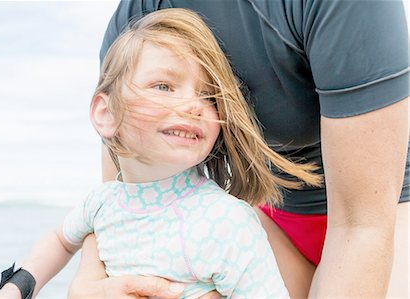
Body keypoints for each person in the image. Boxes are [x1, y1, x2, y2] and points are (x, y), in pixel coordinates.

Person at [65, 1, 410, 298]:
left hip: (385, 212)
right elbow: (124, 201)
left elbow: (361, 225)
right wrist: (87, 283)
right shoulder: (138, 17)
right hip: (270, 221)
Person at [0, 8, 324, 299]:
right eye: (164, 86)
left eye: (208, 95)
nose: (194, 105)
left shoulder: (226, 221)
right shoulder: (102, 203)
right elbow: (60, 241)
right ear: (106, 114)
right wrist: (15, 289)